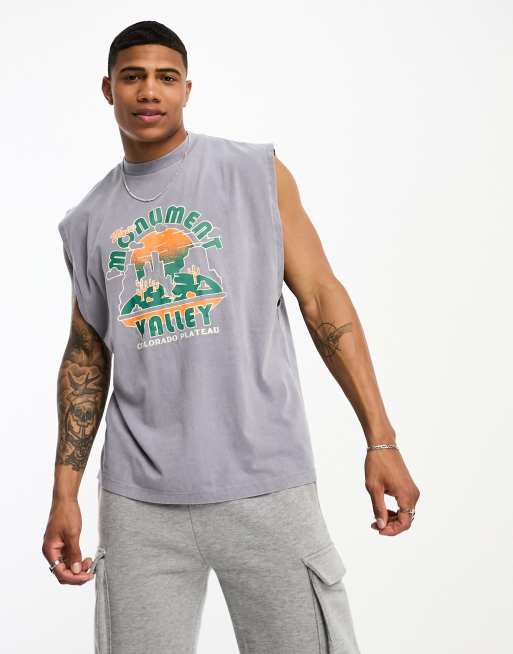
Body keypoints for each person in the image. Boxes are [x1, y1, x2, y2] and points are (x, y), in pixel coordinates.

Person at [42, 20, 420, 654]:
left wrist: (380, 439)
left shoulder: (254, 173)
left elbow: (322, 300)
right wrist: (64, 494)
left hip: (266, 482)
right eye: (132, 77)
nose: (149, 91)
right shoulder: (85, 222)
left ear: (187, 89)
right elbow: (86, 357)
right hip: (139, 503)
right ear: (108, 90)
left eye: (166, 77)